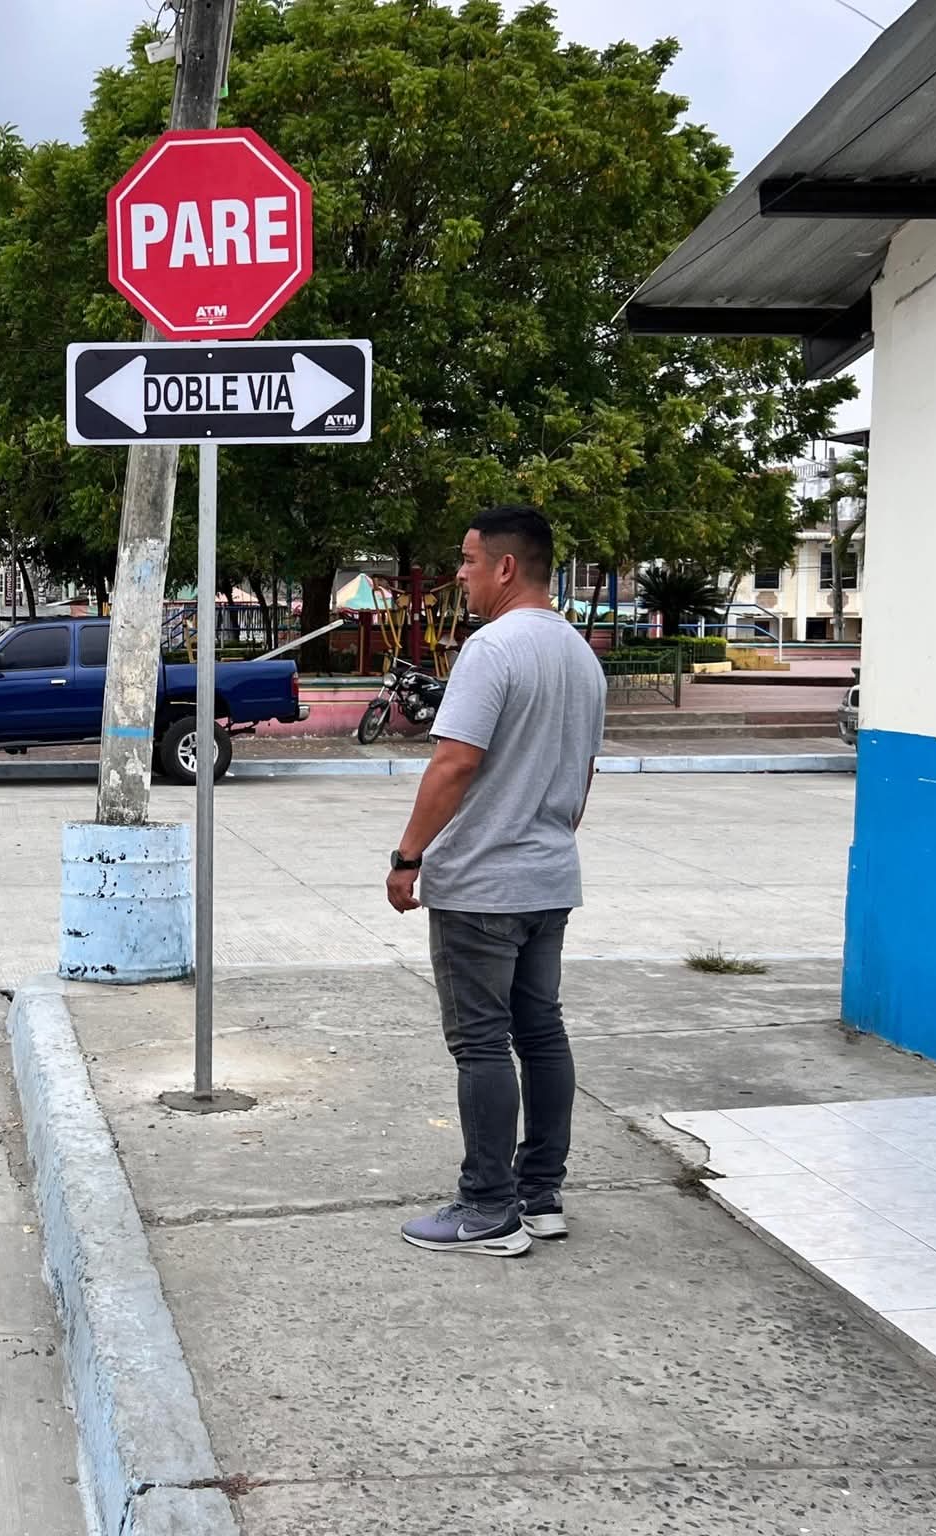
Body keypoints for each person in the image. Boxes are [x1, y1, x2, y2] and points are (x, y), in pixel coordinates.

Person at [384, 505, 605, 1259]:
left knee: (481, 1043)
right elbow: (582, 776)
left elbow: (454, 761)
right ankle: (540, 1195)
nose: (462, 574)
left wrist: (408, 856)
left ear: (506, 567)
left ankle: (487, 1211)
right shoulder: (580, 655)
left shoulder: (492, 647)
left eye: (469, 561)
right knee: (541, 1032)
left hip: (481, 885)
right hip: (549, 877)